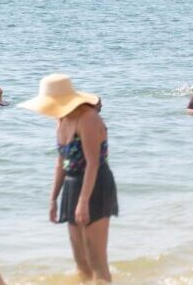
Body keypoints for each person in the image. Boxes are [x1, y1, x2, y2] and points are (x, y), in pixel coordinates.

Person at [18, 74, 118, 283]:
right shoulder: (62, 120)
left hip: (95, 184)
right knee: (80, 260)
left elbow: (93, 163)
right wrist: (53, 199)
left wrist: (83, 202)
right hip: (72, 186)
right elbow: (60, 162)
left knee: (97, 260)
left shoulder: (88, 118)